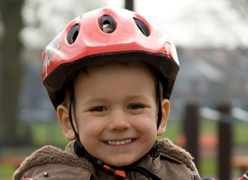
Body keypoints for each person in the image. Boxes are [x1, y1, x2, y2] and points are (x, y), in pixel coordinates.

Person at [13, 7, 200, 180]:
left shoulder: (180, 174)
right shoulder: (54, 176)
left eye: (135, 106)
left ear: (161, 115)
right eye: (99, 109)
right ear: (68, 121)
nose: (119, 123)